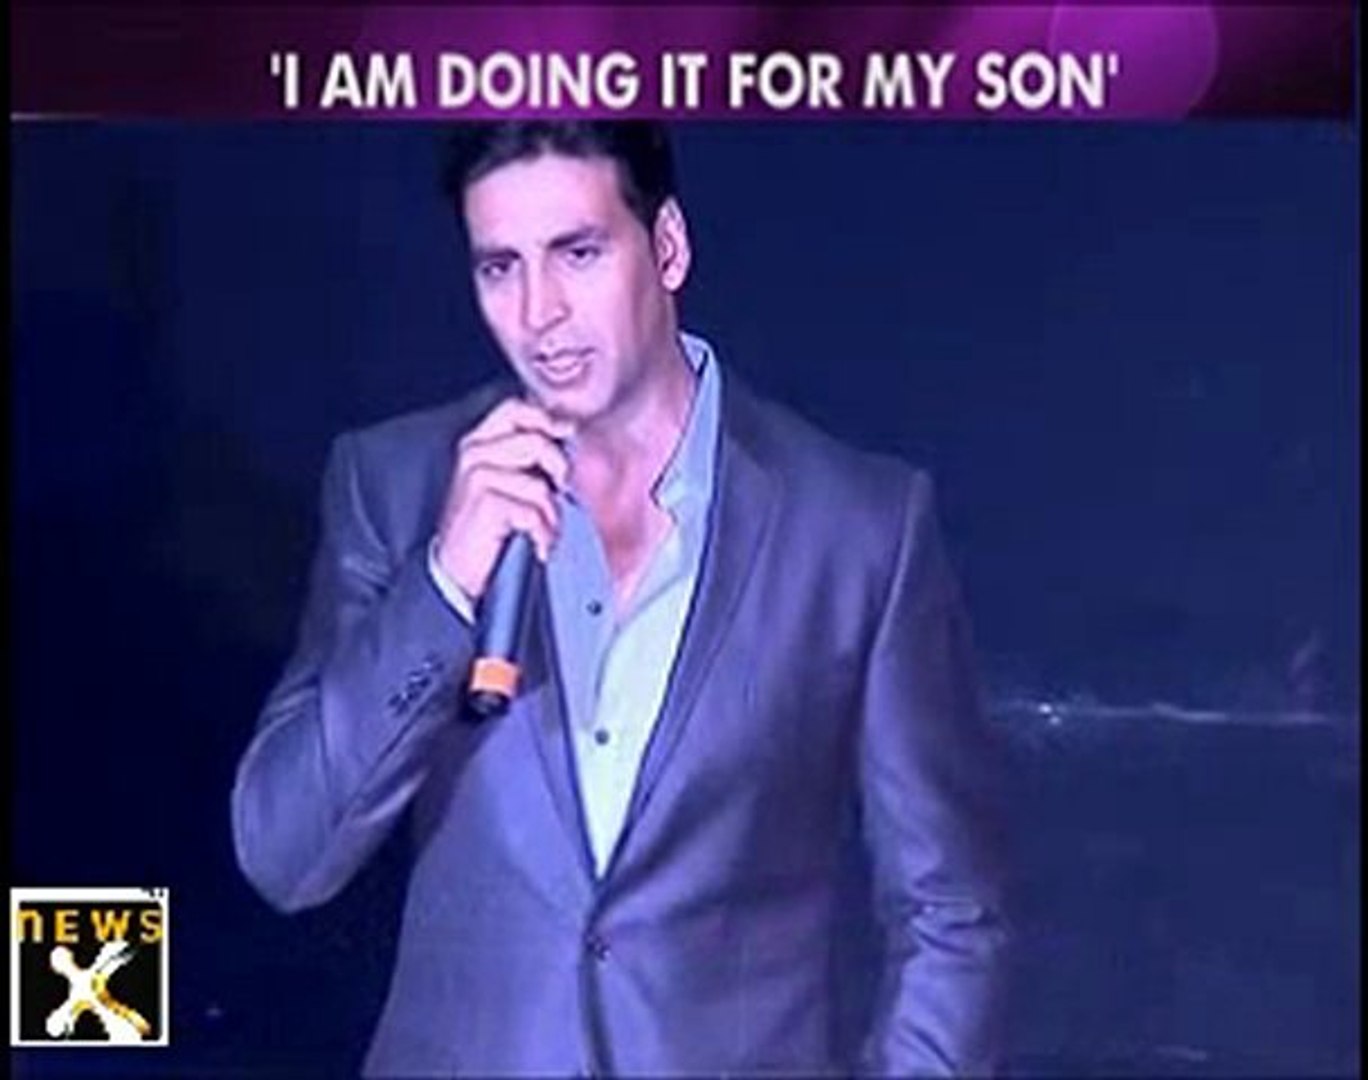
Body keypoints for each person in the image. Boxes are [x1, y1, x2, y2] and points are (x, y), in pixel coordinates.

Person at [231, 120, 1009, 1078]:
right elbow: (285, 854)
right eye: (500, 268)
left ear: (667, 246)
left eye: (578, 253)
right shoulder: (395, 486)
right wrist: (443, 582)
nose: (540, 313)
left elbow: (951, 909)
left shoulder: (857, 527)